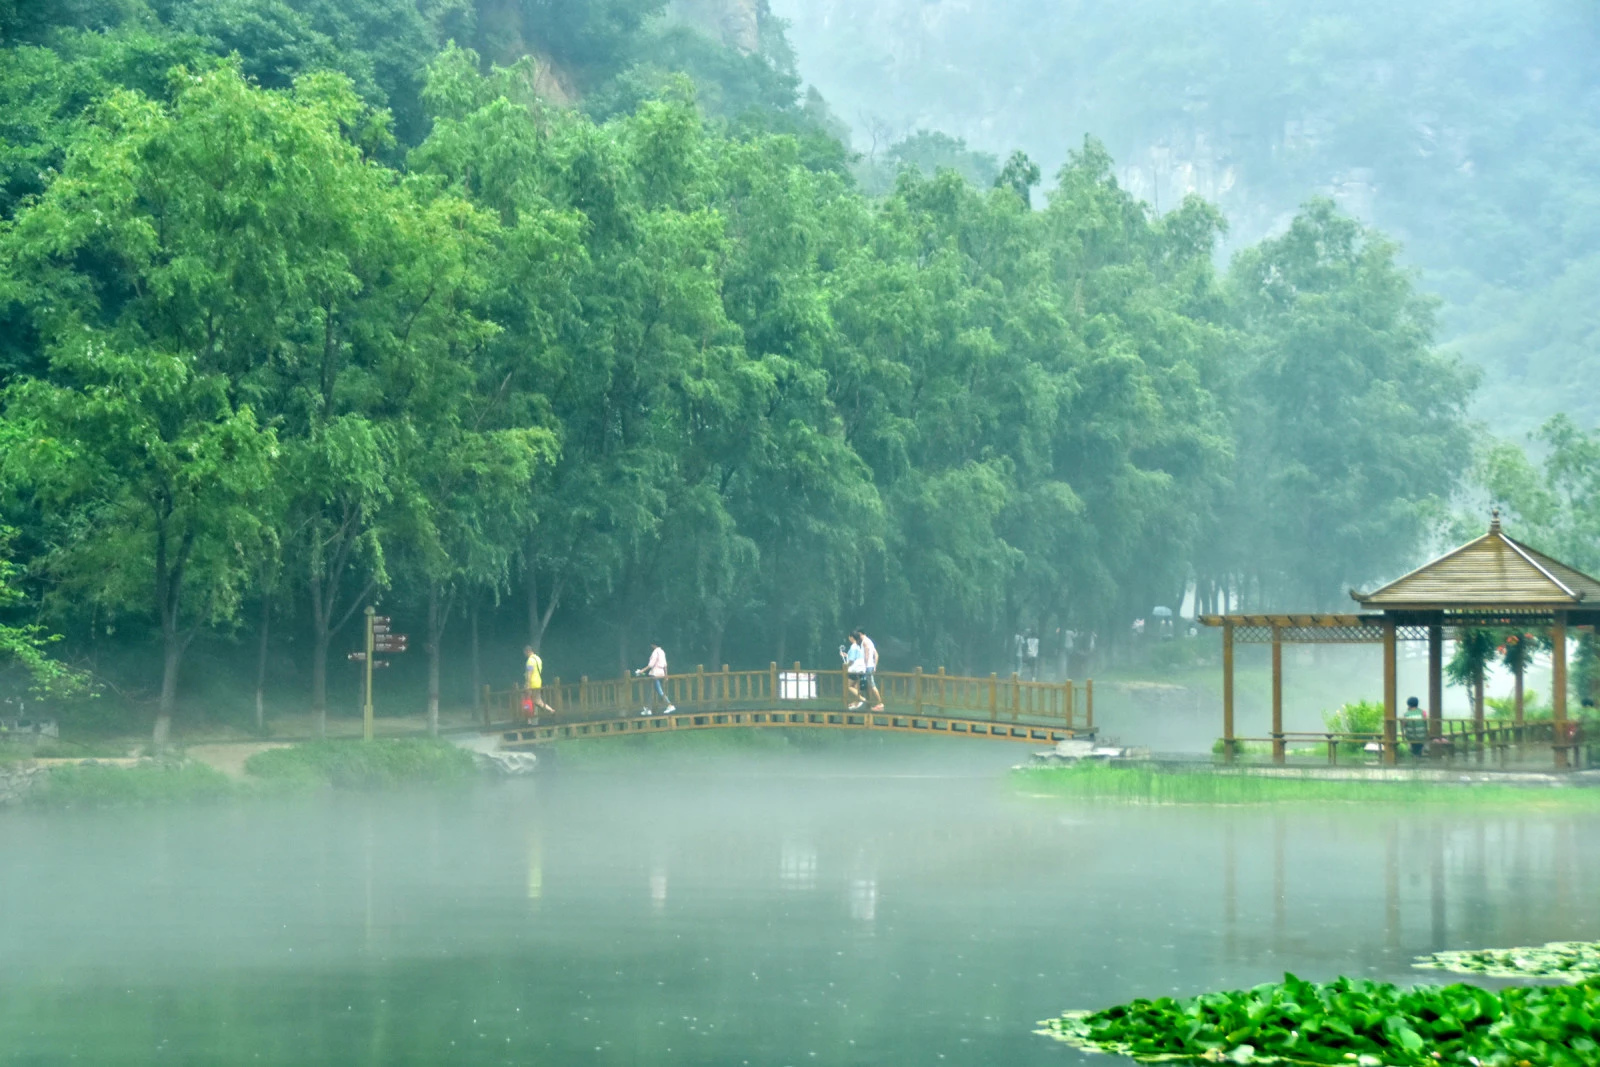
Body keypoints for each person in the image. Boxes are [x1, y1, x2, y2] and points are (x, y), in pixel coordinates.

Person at [635, 642, 673, 716]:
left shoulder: (655, 652)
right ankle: (648, 709)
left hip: (655, 673)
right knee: (651, 691)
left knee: (659, 691)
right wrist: (666, 675)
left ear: (653, 645)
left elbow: (651, 664)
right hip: (661, 673)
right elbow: (665, 665)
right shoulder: (662, 652)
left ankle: (669, 705)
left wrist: (641, 671)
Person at [855, 630, 883, 711]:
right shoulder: (870, 642)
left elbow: (866, 656)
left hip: (867, 667)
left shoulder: (865, 642)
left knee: (872, 685)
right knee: (869, 685)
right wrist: (875, 666)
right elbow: (876, 654)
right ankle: (868, 703)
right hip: (871, 666)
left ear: (860, 634)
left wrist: (864, 666)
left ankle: (880, 703)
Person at [524, 646, 553, 720]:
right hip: (538, 682)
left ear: (527, 651)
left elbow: (529, 673)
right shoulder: (538, 659)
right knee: (537, 700)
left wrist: (527, 684)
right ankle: (551, 710)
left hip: (532, 683)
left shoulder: (530, 661)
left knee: (527, 700)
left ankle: (528, 719)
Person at [841, 634, 865, 709]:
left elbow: (851, 660)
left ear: (851, 637)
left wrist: (847, 665)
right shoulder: (859, 646)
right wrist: (846, 655)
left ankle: (861, 699)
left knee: (848, 686)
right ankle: (857, 702)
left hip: (855, 669)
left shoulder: (853, 646)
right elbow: (855, 656)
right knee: (855, 687)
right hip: (861, 669)